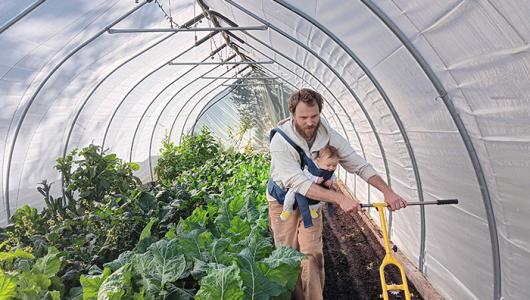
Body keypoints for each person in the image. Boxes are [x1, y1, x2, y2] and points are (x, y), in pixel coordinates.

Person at [267, 88, 407, 300]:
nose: (310, 122)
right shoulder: (281, 141)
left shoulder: (328, 136)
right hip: (283, 201)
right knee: (287, 255)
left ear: (320, 113)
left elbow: (358, 164)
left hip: (312, 204)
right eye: (303, 117)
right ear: (293, 115)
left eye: (314, 116)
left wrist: (388, 192)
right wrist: (340, 198)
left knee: (312, 254)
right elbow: (298, 183)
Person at [280, 145, 339, 221]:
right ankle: (287, 210)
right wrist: (315, 179)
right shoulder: (312, 166)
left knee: (321, 200)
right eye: (328, 165)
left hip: (317, 189)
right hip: (302, 185)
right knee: (290, 195)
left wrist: (331, 180)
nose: (331, 168)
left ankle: (313, 209)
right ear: (318, 160)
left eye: (334, 166)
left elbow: (333, 176)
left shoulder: (330, 171)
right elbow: (305, 173)